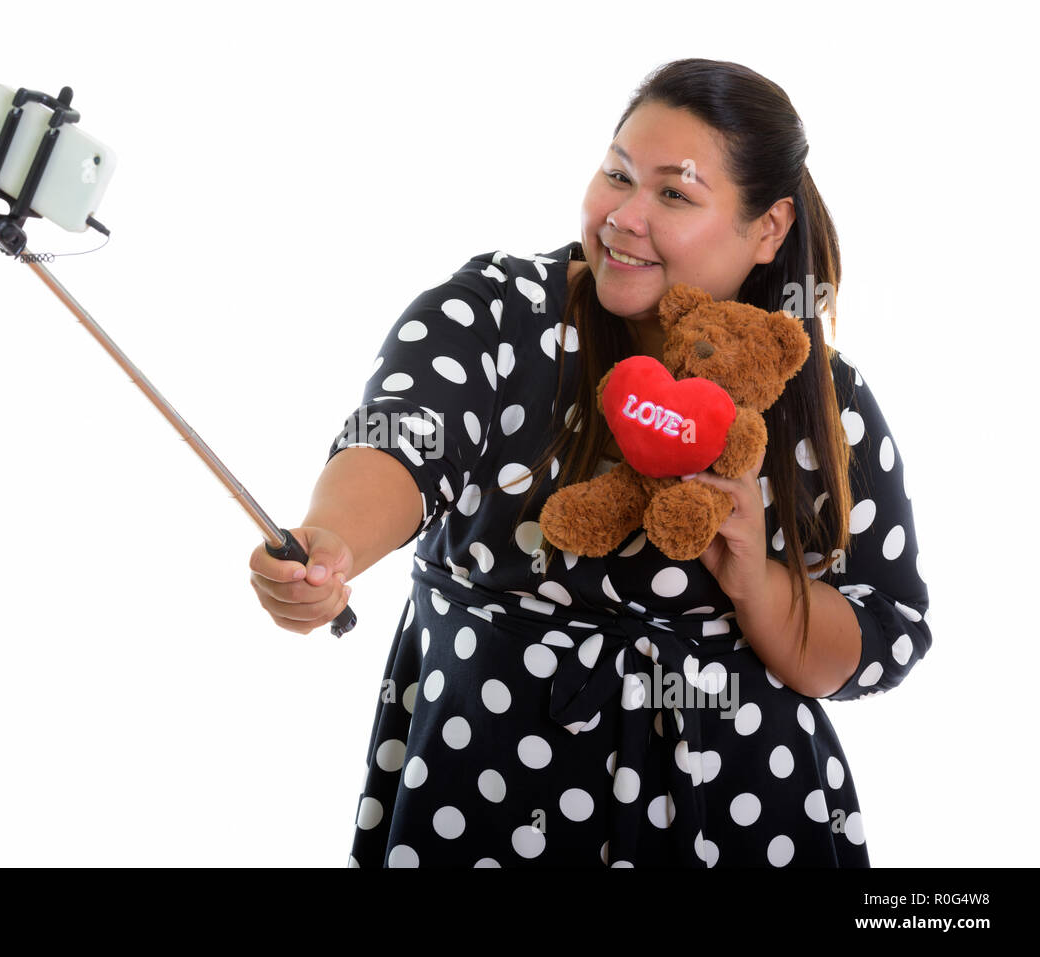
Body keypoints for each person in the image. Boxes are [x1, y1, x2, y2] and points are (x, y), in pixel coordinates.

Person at [248, 58, 932, 867]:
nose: (623, 217)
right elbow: (400, 437)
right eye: (617, 175)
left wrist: (755, 579)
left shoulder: (822, 398)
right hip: (483, 791)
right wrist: (332, 541)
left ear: (768, 228)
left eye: (674, 194)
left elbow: (883, 631)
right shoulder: (496, 313)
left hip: (738, 812)